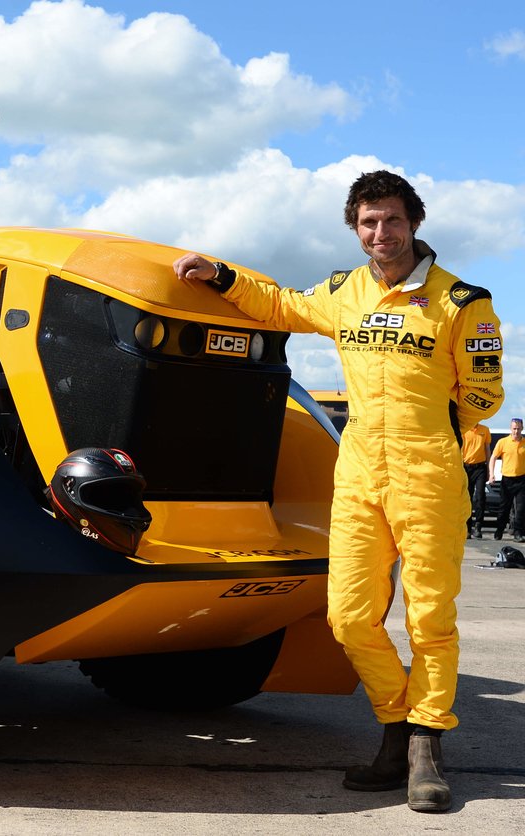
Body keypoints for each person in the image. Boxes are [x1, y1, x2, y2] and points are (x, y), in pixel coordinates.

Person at [173, 170, 503, 814]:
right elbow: (280, 306)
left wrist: (435, 439)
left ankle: (424, 747)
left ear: (415, 224)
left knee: (430, 618)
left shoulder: (462, 301)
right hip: (356, 477)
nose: (382, 233)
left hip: (428, 473)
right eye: (369, 222)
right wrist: (219, 274)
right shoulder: (342, 293)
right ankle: (398, 721)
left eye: (393, 220)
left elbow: (484, 395)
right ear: (356, 230)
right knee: (348, 617)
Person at [489, 418, 525, 542]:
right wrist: (491, 474)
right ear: (511, 428)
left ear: (522, 428)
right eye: (514, 428)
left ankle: (518, 533)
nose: (516, 431)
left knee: (521, 508)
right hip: (507, 480)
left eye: (519, 428)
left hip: (521, 480)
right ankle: (499, 530)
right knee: (504, 507)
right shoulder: (503, 442)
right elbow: (493, 457)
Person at [462, 422, 492, 538]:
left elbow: (487, 450)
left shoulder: (485, 430)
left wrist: (489, 469)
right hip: (466, 467)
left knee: (480, 497)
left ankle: (478, 526)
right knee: (467, 498)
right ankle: (467, 528)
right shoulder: (464, 430)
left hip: (480, 467)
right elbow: (460, 449)